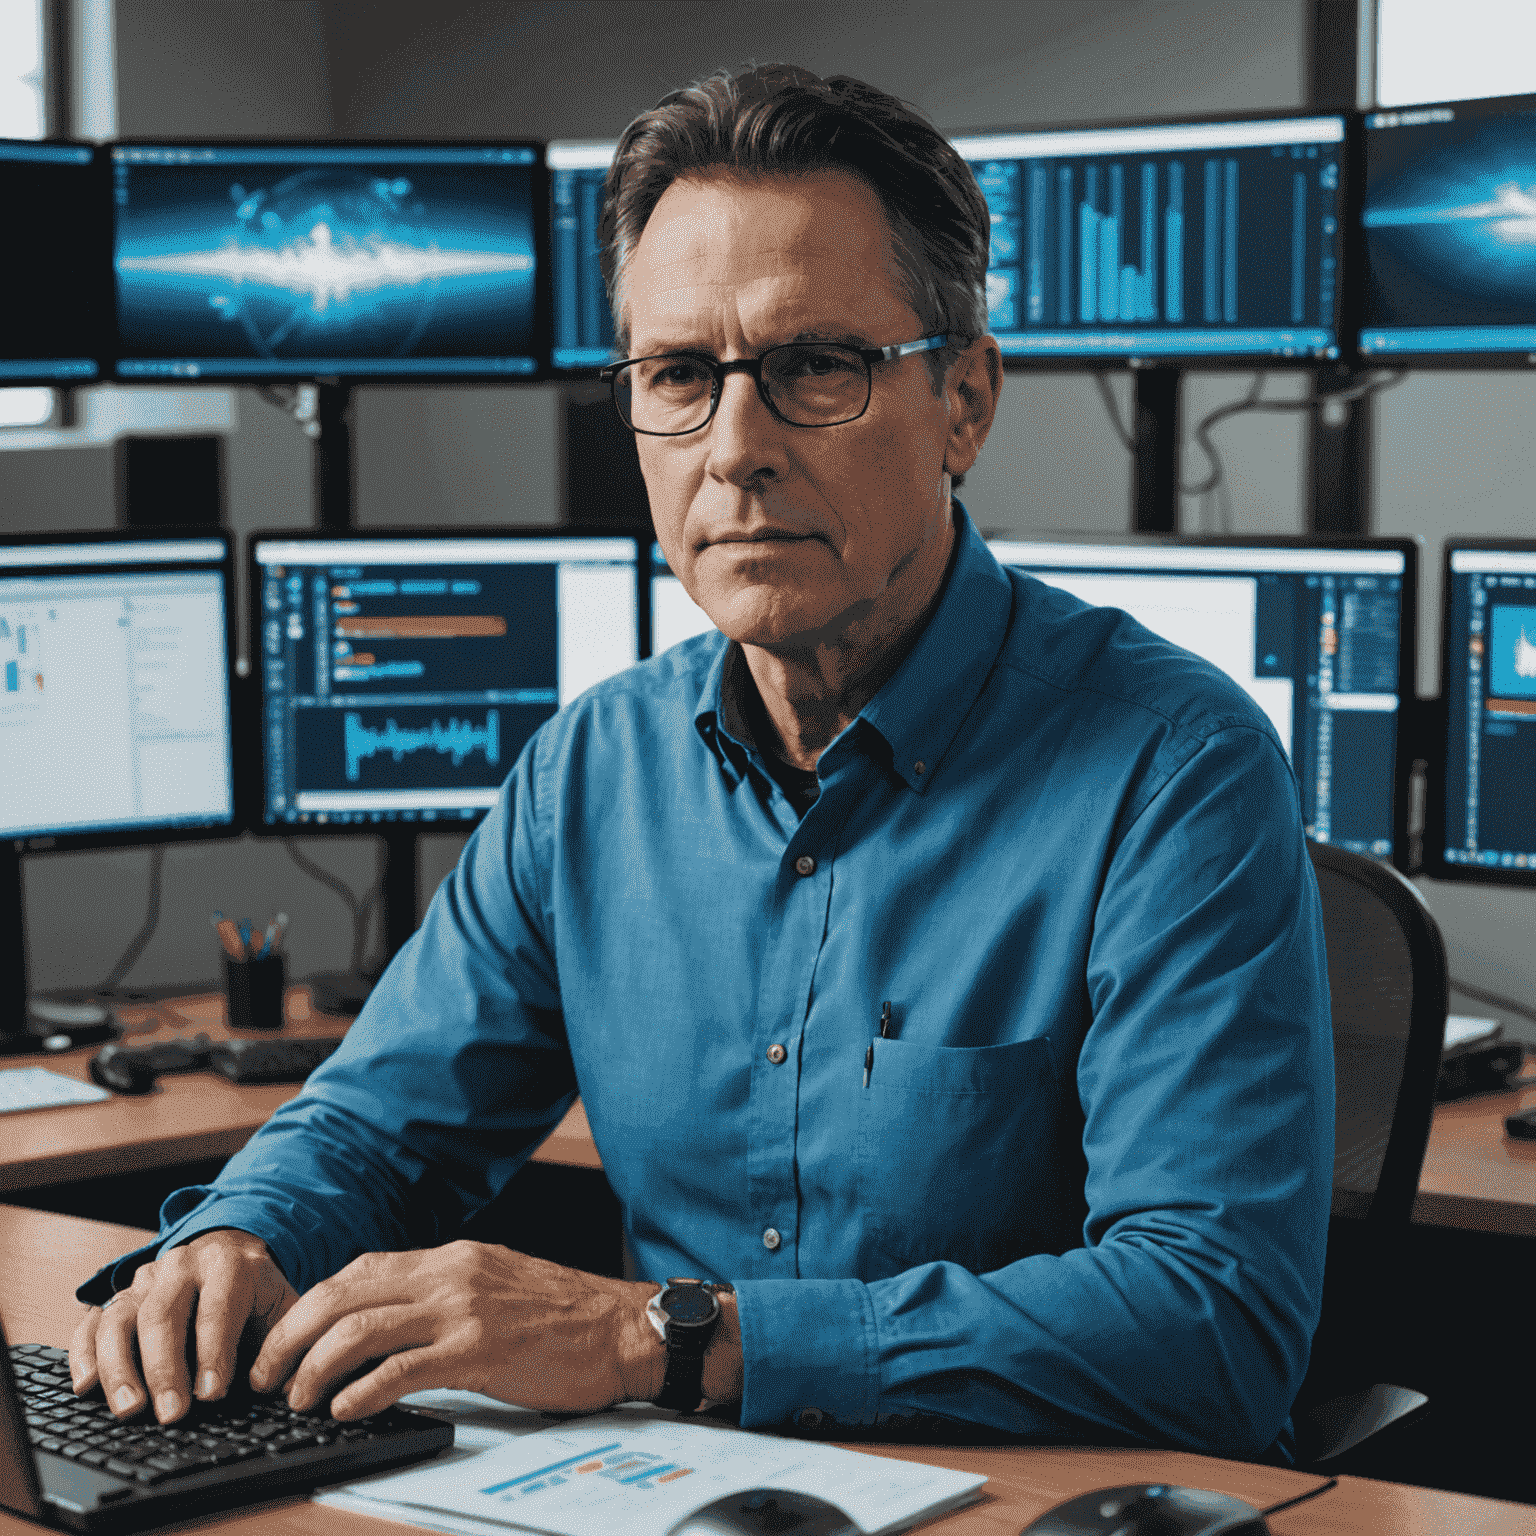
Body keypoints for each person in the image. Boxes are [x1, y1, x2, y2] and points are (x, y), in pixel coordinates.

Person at [71, 64, 1332, 1460]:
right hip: (666, 1494)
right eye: (679, 375)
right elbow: (377, 1131)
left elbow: (1216, 1322)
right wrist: (244, 1237)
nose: (737, 450)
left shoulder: (1172, 768)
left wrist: (654, 1337)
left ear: (964, 399)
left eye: (817, 368)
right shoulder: (594, 770)